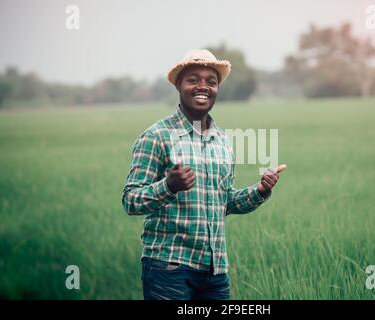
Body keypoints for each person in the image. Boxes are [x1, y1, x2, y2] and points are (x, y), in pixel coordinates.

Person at [121, 49, 285, 300]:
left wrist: (260, 190)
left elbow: (224, 202)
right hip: (169, 269)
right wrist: (169, 186)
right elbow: (130, 201)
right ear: (179, 85)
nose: (203, 87)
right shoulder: (157, 136)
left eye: (211, 81)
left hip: (215, 272)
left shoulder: (222, 140)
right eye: (193, 79)